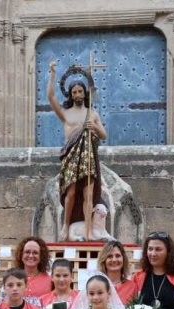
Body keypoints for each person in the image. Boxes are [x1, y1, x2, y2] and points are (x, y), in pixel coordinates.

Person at [47, 60, 107, 241]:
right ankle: (66, 226)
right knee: (71, 192)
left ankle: (88, 231)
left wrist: (94, 127)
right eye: (74, 92)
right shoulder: (65, 113)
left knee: (88, 194)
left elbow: (103, 135)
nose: (78, 94)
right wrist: (52, 74)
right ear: (71, 95)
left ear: (84, 93)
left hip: (88, 155)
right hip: (72, 155)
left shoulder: (92, 113)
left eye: (80, 91)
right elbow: (51, 97)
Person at [12, 236, 52, 301]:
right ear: (21, 255)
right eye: (27, 252)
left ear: (41, 256)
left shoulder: (50, 281)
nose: (31, 256)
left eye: (35, 253)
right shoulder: (12, 279)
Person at [98, 240, 137, 305]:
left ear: (123, 259)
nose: (114, 260)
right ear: (104, 260)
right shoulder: (96, 285)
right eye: (109, 256)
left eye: (118, 256)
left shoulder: (132, 287)